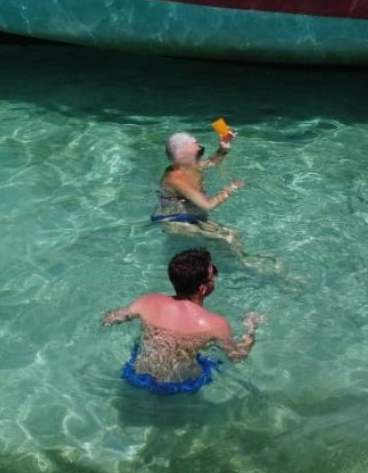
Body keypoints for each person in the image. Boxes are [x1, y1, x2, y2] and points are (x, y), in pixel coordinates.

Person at [102, 248, 263, 393]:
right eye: (212, 273)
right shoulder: (215, 324)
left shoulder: (148, 301)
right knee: (211, 363)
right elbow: (237, 356)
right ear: (202, 289)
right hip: (180, 384)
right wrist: (251, 328)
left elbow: (110, 319)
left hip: (137, 374)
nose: (214, 275)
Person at [151, 131, 243, 249]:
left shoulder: (190, 166)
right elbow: (207, 205)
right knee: (227, 238)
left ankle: (245, 260)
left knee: (233, 235)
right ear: (183, 155)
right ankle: (249, 262)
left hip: (191, 211)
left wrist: (223, 149)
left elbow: (212, 162)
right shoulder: (175, 178)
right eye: (199, 151)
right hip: (174, 219)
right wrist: (231, 188)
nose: (200, 150)